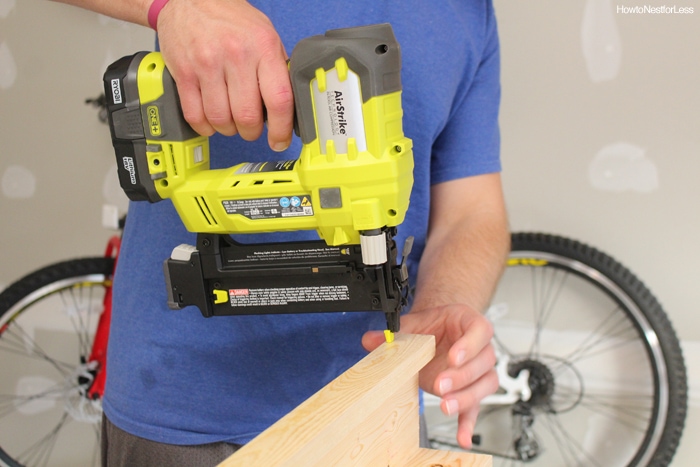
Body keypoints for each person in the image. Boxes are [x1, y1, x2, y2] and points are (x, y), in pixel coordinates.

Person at [54, 0, 510, 464]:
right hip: (186, 416)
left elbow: (472, 213)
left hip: (378, 405)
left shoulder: (471, 13)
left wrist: (439, 315)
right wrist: (177, 8)